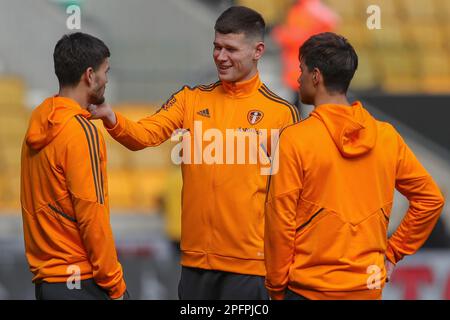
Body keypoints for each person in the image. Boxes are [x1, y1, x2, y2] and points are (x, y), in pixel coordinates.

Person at [89, 6, 299, 299]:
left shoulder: (281, 113)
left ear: (258, 50)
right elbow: (145, 135)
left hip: (250, 267)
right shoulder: (190, 99)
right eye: (216, 47)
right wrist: (111, 117)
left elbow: (289, 195)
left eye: (230, 49)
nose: (220, 56)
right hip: (195, 265)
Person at [264, 32, 445, 300]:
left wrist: (276, 288)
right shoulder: (386, 137)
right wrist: (393, 252)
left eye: (300, 70)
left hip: (307, 291)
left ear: (316, 76)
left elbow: (280, 221)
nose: (297, 77)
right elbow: (431, 199)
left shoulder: (293, 139)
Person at [20, 32, 128, 300]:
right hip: (82, 280)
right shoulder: (81, 131)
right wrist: (116, 287)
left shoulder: (38, 124)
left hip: (49, 282)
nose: (106, 80)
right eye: (106, 72)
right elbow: (93, 215)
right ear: (90, 75)